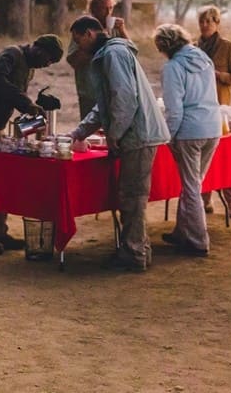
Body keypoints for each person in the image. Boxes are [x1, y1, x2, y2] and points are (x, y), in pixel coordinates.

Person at [66, 15, 170, 272]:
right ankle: (138, 249)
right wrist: (79, 132)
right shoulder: (108, 55)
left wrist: (115, 133)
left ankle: (134, 254)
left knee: (132, 197)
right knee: (130, 196)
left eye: (78, 39)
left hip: (139, 135)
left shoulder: (112, 55)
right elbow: (104, 104)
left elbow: (124, 99)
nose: (78, 47)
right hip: (136, 133)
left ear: (90, 33)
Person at [0, 34, 65, 254]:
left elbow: (12, 95)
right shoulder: (11, 54)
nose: (47, 64)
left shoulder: (28, 68)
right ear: (37, 47)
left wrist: (33, 110)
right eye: (48, 59)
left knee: (0, 180)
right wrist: (26, 104)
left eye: (51, 63)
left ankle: (0, 231)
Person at [153, 23, 222, 257]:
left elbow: (174, 110)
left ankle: (198, 240)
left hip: (190, 131)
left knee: (191, 186)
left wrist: (167, 136)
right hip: (213, 126)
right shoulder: (203, 58)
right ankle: (183, 232)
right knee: (194, 184)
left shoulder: (172, 67)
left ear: (164, 46)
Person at [196, 4, 231, 215]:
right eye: (202, 21)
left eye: (209, 21)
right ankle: (206, 199)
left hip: (222, 108)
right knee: (204, 155)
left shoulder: (228, 47)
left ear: (217, 23)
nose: (205, 25)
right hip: (200, 107)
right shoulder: (193, 47)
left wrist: (218, 75)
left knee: (225, 155)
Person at [66, 0, 128, 118]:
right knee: (90, 133)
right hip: (90, 92)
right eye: (104, 8)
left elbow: (130, 54)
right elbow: (73, 61)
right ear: (93, 8)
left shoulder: (114, 29)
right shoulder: (83, 27)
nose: (108, 12)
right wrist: (96, 42)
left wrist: (122, 31)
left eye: (111, 8)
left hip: (112, 91)